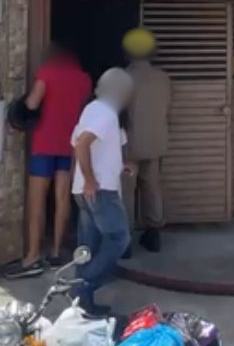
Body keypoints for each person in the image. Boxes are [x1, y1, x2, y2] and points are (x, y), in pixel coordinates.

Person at [4, 43, 92, 279]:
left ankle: (32, 256)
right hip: (69, 144)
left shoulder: (46, 73)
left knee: (37, 199)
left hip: (44, 143)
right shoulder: (83, 79)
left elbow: (32, 104)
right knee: (62, 198)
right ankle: (55, 253)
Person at [72, 67, 134, 316]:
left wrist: (79, 182)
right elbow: (82, 143)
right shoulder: (106, 113)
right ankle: (84, 286)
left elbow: (76, 144)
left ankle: (81, 300)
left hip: (84, 190)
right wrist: (89, 180)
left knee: (88, 244)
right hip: (99, 190)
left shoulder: (91, 109)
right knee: (119, 238)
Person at [121, 27, 171, 253]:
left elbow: (117, 113)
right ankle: (154, 235)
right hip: (156, 142)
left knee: (126, 191)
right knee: (152, 188)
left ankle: (125, 241)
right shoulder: (163, 78)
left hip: (130, 144)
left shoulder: (123, 78)